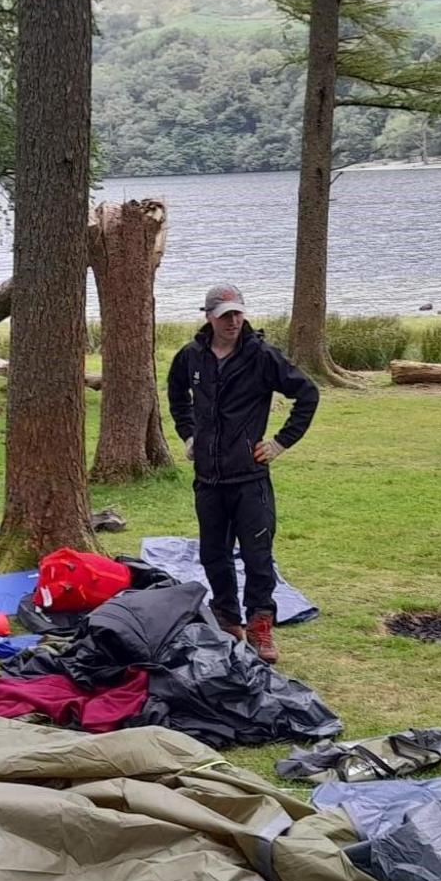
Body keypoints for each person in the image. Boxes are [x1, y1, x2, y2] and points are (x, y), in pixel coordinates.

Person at [167, 284, 319, 663]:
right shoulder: (191, 357)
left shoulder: (262, 357)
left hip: (250, 478)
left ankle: (260, 626)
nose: (233, 321)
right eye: (225, 315)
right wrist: (188, 435)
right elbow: (175, 395)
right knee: (213, 554)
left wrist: (281, 443)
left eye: (238, 313)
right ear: (209, 317)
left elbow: (307, 394)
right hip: (208, 478)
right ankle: (227, 619)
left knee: (257, 556)